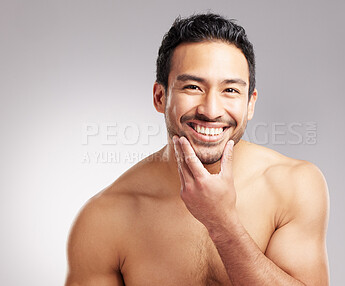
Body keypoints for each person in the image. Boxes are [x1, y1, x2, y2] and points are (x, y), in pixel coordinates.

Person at [65, 13, 330, 286]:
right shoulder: (105, 218)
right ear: (160, 97)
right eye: (193, 87)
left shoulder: (294, 185)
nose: (211, 110)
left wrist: (222, 224)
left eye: (230, 90)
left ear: (250, 104)